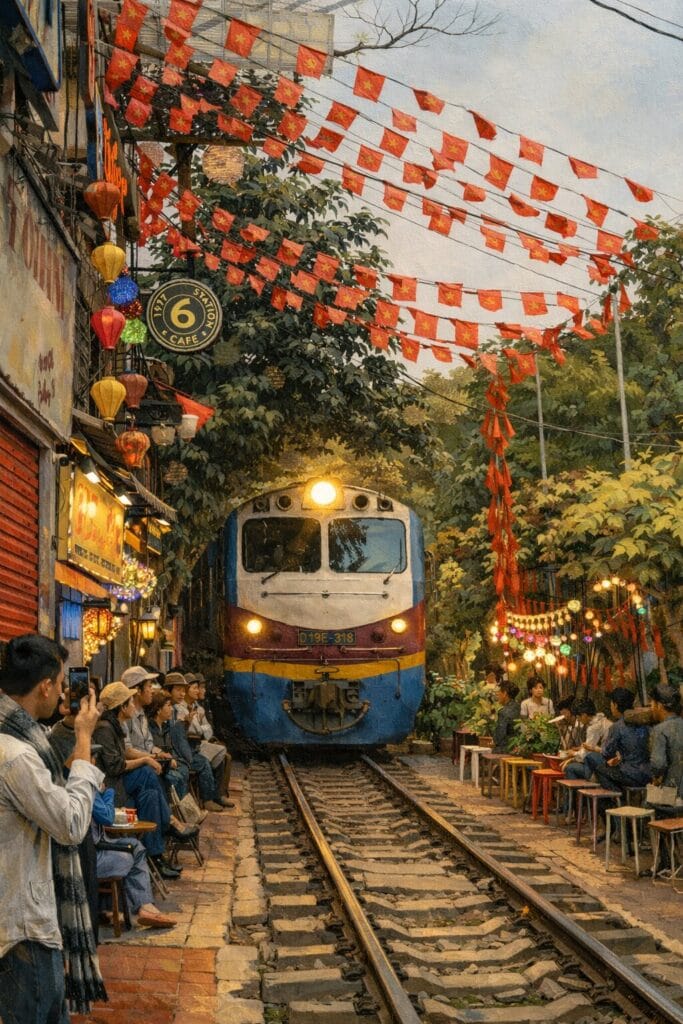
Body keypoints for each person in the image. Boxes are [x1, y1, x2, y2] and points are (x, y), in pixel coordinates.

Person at [0, 633, 106, 1021]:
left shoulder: (20, 738)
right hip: (22, 932)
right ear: (44, 687)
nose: (64, 693)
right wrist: (83, 736)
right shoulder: (15, 755)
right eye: (61, 684)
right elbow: (71, 823)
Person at [93, 682, 197, 880]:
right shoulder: (105, 729)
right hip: (112, 787)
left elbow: (126, 754)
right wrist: (146, 759)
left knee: (149, 796)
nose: (133, 706)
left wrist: (150, 758)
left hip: (121, 782)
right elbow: (115, 767)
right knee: (148, 773)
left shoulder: (115, 725)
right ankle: (171, 822)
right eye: (130, 702)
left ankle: (156, 857)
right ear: (122, 707)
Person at [91, 786, 177, 929]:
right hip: (93, 854)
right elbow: (106, 816)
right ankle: (131, 907)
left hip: (100, 844)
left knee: (136, 846)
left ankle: (143, 905)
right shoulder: (86, 785)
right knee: (129, 856)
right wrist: (108, 792)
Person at [121, 666, 189, 799]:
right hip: (136, 767)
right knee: (169, 777)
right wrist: (150, 758)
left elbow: (149, 744)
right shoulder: (126, 715)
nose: (152, 691)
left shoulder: (142, 713)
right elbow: (127, 750)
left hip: (148, 762)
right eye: (149, 686)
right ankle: (172, 816)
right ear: (137, 690)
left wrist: (159, 753)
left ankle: (179, 814)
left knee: (179, 771)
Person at [166, 672, 225, 812]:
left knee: (218, 756)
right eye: (178, 690)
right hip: (178, 753)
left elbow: (207, 731)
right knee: (202, 762)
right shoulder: (175, 709)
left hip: (182, 750)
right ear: (169, 691)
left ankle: (214, 796)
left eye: (183, 690)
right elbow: (182, 735)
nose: (182, 694)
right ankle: (203, 802)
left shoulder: (189, 708)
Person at [584, 687, 651, 795]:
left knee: (600, 769)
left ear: (615, 705)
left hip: (631, 774)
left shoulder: (618, 726)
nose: (611, 707)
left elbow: (607, 753)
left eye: (611, 704)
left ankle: (618, 799)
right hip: (648, 774)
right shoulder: (644, 723)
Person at [186, 675, 234, 807]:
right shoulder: (182, 708)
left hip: (199, 743)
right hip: (191, 746)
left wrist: (201, 728)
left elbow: (208, 732)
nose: (201, 691)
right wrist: (201, 728)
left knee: (224, 756)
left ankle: (219, 794)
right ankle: (211, 797)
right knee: (207, 760)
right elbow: (194, 730)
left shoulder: (199, 708)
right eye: (197, 688)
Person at [492, 682, 521, 753]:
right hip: (519, 746)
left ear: (504, 693)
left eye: (499, 692)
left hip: (507, 748)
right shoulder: (519, 706)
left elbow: (500, 736)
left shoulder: (503, 712)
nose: (497, 695)